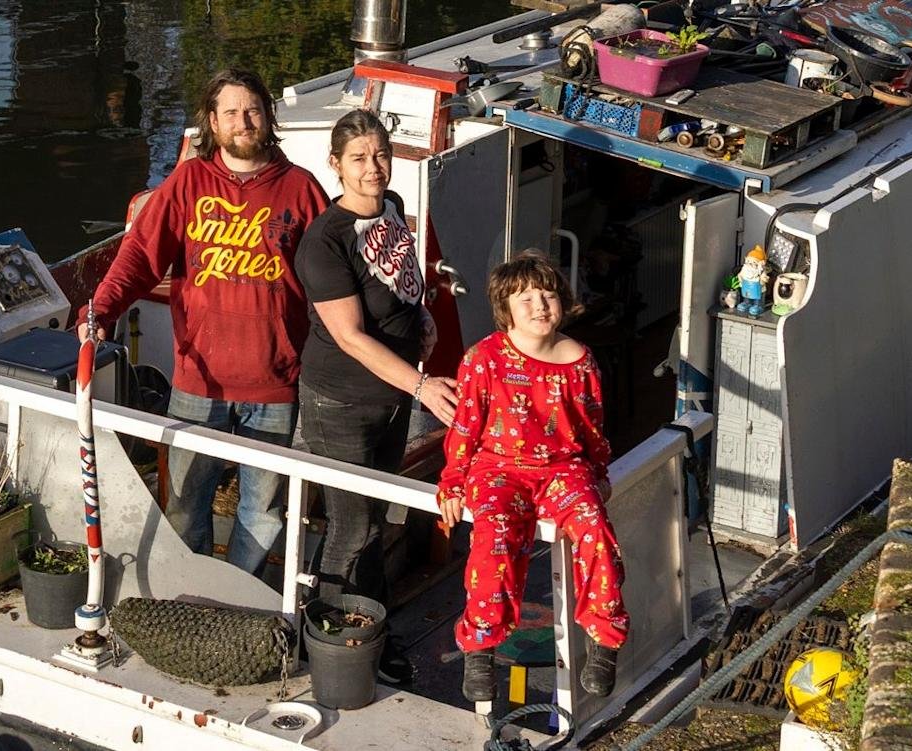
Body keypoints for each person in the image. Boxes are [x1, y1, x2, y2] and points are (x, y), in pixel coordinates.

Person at [77, 68, 329, 577]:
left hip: (275, 385)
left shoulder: (302, 190)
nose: (243, 122)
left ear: (268, 117)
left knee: (263, 511)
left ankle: (239, 599)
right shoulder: (188, 182)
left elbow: (334, 283)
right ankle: (190, 592)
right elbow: (140, 256)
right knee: (187, 503)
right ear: (212, 122)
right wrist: (100, 311)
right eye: (231, 112)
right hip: (198, 382)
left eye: (253, 111)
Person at [294, 109, 458, 684]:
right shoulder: (324, 243)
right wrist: (422, 383)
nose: (373, 169)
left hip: (390, 397)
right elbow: (350, 336)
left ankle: (369, 628)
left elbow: (401, 281)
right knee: (351, 526)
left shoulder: (389, 209)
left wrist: (425, 321)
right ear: (335, 165)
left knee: (373, 518)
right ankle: (324, 643)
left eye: (381, 155)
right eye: (359, 159)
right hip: (339, 402)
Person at [436, 251, 629, 700]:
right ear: (506, 310)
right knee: (494, 540)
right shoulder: (483, 358)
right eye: (526, 299)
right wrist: (453, 480)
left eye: (547, 295)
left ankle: (604, 641)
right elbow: (465, 425)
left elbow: (592, 427)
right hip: (498, 468)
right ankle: (481, 647)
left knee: (596, 532)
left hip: (563, 469)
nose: (540, 305)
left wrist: (598, 472)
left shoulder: (581, 361)